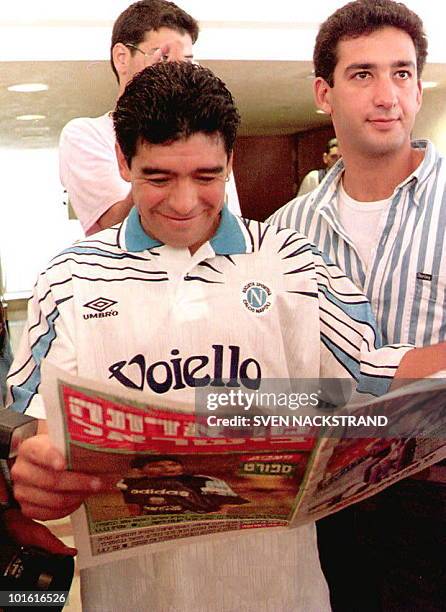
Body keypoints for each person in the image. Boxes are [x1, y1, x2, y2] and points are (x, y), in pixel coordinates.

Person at [6, 61, 440, 611]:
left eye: (207, 177)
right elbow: (30, 423)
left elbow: (373, 376)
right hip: (134, 594)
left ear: (231, 161)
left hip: (281, 592)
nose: (184, 204)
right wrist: (35, 467)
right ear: (123, 161)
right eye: (158, 178)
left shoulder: (294, 260)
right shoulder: (68, 278)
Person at [268, 1, 445, 609]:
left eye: (401, 73)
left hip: (437, 498)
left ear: (419, 89)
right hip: (328, 509)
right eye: (363, 74)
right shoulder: (285, 232)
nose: (387, 95)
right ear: (325, 92)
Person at [59, 0, 241, 237]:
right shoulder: (85, 134)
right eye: (164, 58)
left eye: (186, 61)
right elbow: (112, 231)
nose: (175, 71)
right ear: (122, 57)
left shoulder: (207, 133)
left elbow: (223, 219)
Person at [117, 456, 248, 515]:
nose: (168, 469)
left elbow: (231, 503)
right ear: (140, 470)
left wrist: (217, 514)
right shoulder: (131, 484)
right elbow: (135, 511)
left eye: (173, 465)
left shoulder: (203, 481)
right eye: (157, 466)